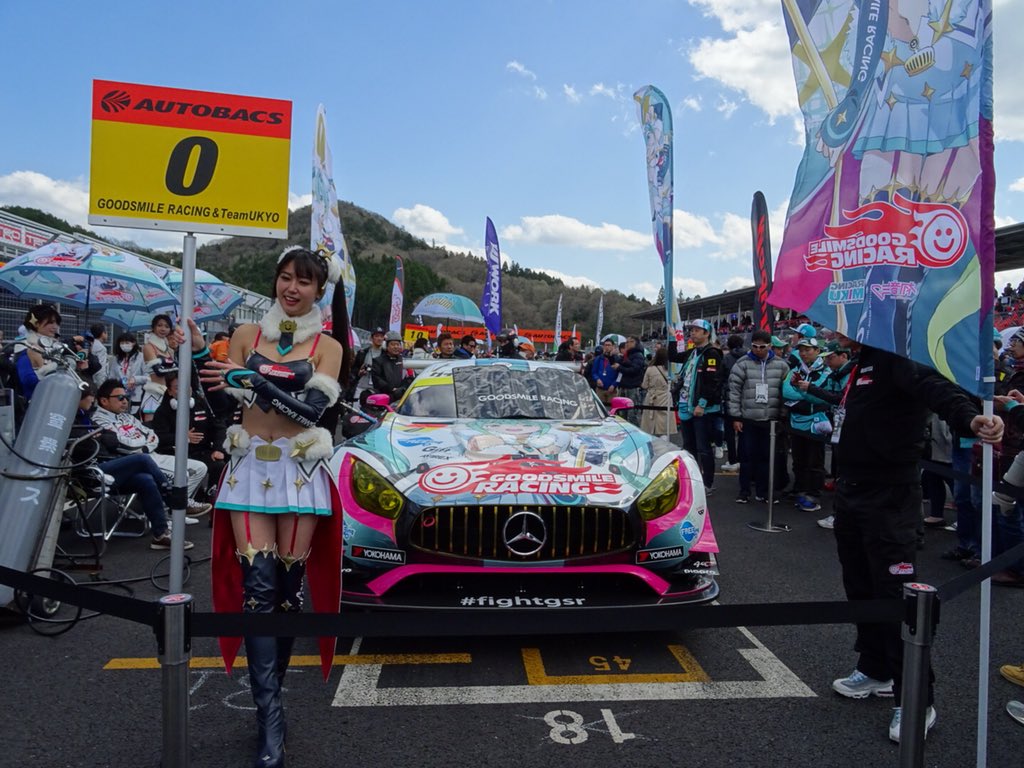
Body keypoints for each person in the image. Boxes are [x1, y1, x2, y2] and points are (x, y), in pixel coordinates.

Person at [197, 245, 350, 768]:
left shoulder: (329, 346)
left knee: (288, 590)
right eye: (285, 278)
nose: (291, 288)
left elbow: (311, 410)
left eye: (303, 282)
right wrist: (199, 361)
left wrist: (258, 382)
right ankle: (270, 717)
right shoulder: (245, 336)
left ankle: (273, 695)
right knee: (258, 588)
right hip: (249, 471)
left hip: (301, 470)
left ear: (318, 290)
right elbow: (225, 399)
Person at [826, 338, 1002, 743]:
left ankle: (917, 699)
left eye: (842, 325)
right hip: (852, 491)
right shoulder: (861, 363)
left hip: (891, 497)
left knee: (897, 596)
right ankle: (875, 669)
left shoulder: (898, 356)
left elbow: (936, 388)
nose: (835, 333)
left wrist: (971, 418)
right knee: (860, 586)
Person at [74, 387, 193, 550]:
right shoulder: (75, 420)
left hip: (111, 462)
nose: (92, 400)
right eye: (90, 396)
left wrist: (101, 437)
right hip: (92, 471)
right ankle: (174, 499)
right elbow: (89, 447)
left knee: (146, 479)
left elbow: (113, 440)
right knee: (142, 459)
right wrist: (100, 438)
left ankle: (161, 534)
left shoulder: (86, 417)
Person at [92, 378, 213, 518]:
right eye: (120, 398)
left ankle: (176, 510)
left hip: (149, 454)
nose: (125, 401)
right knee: (182, 475)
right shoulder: (99, 420)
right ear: (104, 401)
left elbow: (153, 436)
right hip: (132, 463)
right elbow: (123, 444)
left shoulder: (127, 417)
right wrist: (143, 445)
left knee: (200, 468)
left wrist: (144, 446)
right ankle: (176, 507)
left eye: (126, 397)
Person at [727, 330, 789, 504]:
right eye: (755, 346)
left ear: (770, 346)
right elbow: (733, 392)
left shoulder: (782, 365)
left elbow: (787, 393)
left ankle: (762, 491)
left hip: (771, 420)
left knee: (766, 458)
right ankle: (744, 491)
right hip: (748, 418)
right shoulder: (742, 364)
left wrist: (782, 415)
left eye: (762, 347)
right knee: (746, 457)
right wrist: (736, 417)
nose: (758, 350)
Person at [152, 371, 227, 503]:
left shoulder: (201, 404)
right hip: (174, 454)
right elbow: (159, 438)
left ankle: (212, 501)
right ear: (169, 392)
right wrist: (182, 437)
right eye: (177, 387)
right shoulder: (162, 411)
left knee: (220, 464)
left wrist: (218, 449)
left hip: (202, 451)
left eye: (187, 386)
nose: (184, 390)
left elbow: (218, 428)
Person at [668, 320, 723, 493]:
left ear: (707, 333)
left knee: (703, 447)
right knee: (689, 446)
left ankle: (707, 483)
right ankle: (691, 479)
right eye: (691, 330)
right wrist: (672, 338)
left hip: (702, 409)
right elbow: (673, 357)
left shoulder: (712, 353)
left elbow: (713, 382)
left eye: (697, 330)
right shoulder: (693, 352)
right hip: (686, 405)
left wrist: (702, 403)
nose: (693, 333)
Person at [781, 338, 828, 512]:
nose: (803, 353)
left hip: (816, 422)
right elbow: (786, 391)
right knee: (799, 459)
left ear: (817, 350)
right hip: (796, 421)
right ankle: (799, 488)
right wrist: (805, 396)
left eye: (808, 350)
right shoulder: (795, 370)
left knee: (815, 460)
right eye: (801, 350)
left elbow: (821, 395)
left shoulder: (825, 370)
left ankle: (813, 494)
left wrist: (803, 396)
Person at [12, 304, 91, 401]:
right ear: (36, 323)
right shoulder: (25, 347)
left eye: (57, 323)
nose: (55, 327)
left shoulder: (55, 345)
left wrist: (78, 368)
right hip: (36, 404)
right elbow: (30, 381)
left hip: (56, 400)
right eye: (51, 322)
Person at [141, 314, 176, 422]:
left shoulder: (170, 350)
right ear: (153, 327)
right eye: (160, 325)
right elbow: (159, 371)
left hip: (169, 392)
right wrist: (173, 366)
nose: (163, 329)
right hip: (154, 392)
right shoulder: (148, 347)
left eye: (166, 326)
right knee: (150, 425)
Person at [720, 334, 746, 472]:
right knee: (744, 432)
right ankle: (743, 459)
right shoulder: (748, 357)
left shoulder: (726, 359)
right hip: (746, 398)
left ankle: (732, 460)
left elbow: (721, 378)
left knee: (729, 432)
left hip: (730, 398)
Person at [639, 347, 676, 438]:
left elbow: (644, 385)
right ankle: (664, 439)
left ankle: (650, 440)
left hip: (652, 395)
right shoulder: (671, 369)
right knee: (664, 421)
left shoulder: (650, 369)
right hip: (665, 396)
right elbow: (675, 381)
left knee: (650, 420)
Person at [107, 332, 146, 415]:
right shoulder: (116, 359)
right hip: (120, 395)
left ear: (134, 343)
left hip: (136, 395)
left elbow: (148, 377)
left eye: (127, 342)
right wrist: (120, 382)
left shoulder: (141, 357)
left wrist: (135, 380)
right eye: (122, 343)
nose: (124, 345)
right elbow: (111, 377)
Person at [615, 336, 647, 426]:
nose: (627, 343)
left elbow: (634, 370)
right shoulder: (627, 355)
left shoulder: (638, 355)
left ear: (636, 343)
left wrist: (619, 367)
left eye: (631, 341)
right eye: (626, 342)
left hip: (633, 387)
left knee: (632, 415)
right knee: (621, 414)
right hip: (624, 386)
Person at [372, 331, 409, 399]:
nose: (396, 347)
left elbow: (408, 377)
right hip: (383, 397)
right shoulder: (378, 361)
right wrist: (391, 389)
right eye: (392, 344)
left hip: (400, 397)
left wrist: (402, 388)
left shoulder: (404, 361)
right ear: (385, 345)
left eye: (398, 344)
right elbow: (376, 379)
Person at [352, 326, 386, 400]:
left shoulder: (386, 354)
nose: (379, 338)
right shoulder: (362, 353)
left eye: (381, 336)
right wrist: (359, 372)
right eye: (377, 336)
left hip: (378, 389)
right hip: (362, 386)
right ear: (371, 338)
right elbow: (354, 370)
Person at [590, 338, 619, 405]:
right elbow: (594, 372)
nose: (607, 347)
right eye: (605, 345)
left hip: (612, 390)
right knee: (600, 409)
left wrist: (614, 385)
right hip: (600, 389)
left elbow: (619, 375)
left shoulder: (617, 359)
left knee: (611, 410)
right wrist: (597, 379)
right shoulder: (599, 358)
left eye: (609, 345)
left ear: (613, 346)